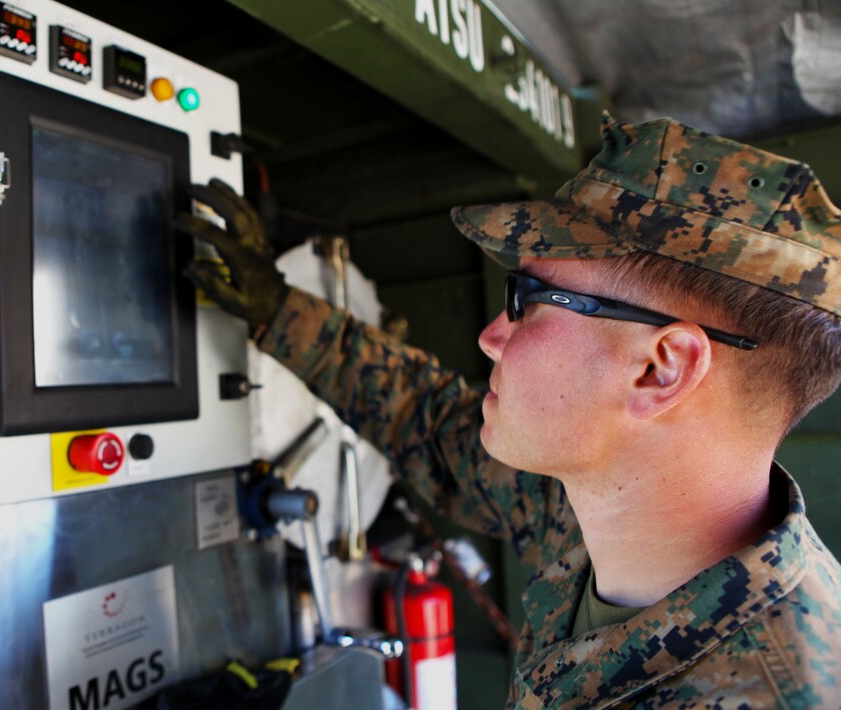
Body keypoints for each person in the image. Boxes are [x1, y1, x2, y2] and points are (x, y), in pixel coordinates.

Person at [175, 114, 841, 706]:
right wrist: (279, 312)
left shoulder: (774, 688)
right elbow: (429, 423)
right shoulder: (589, 508)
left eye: (528, 297)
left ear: (659, 368)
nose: (492, 335)